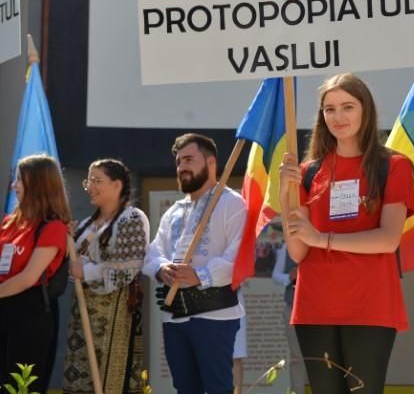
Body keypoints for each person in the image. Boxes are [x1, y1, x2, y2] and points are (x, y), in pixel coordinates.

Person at [279, 73, 414, 394]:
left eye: (347, 107)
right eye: (330, 109)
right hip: (314, 305)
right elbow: (298, 252)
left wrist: (321, 239)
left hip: (370, 304)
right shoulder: (309, 171)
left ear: (365, 110)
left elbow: (388, 240)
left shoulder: (393, 166)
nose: (338, 117)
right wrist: (286, 196)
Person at [143, 133, 247, 394]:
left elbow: (238, 257)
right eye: (179, 162)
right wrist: (162, 269)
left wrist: (200, 275)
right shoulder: (174, 211)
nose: (182, 167)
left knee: (217, 388)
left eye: (189, 159)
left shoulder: (232, 203)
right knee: (184, 388)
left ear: (211, 163)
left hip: (214, 315)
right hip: (175, 316)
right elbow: (153, 253)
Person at [63, 159, 150, 393]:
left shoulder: (131, 219)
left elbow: (129, 267)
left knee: (113, 382)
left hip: (116, 315)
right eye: (88, 181)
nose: (90, 186)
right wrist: (67, 241)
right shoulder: (86, 225)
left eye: (96, 180)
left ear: (117, 185)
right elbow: (72, 266)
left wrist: (86, 271)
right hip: (82, 317)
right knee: (80, 381)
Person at [0, 154, 71, 392]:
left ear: (39, 183)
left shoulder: (53, 227)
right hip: (3, 304)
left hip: (30, 314)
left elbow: (28, 277)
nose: (14, 185)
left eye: (20, 179)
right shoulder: (9, 223)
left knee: (21, 386)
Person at [271, 242, 307, 394]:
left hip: (321, 311)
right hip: (293, 309)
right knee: (297, 357)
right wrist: (290, 277)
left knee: (321, 356)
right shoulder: (289, 245)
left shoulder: (324, 240)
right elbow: (276, 275)